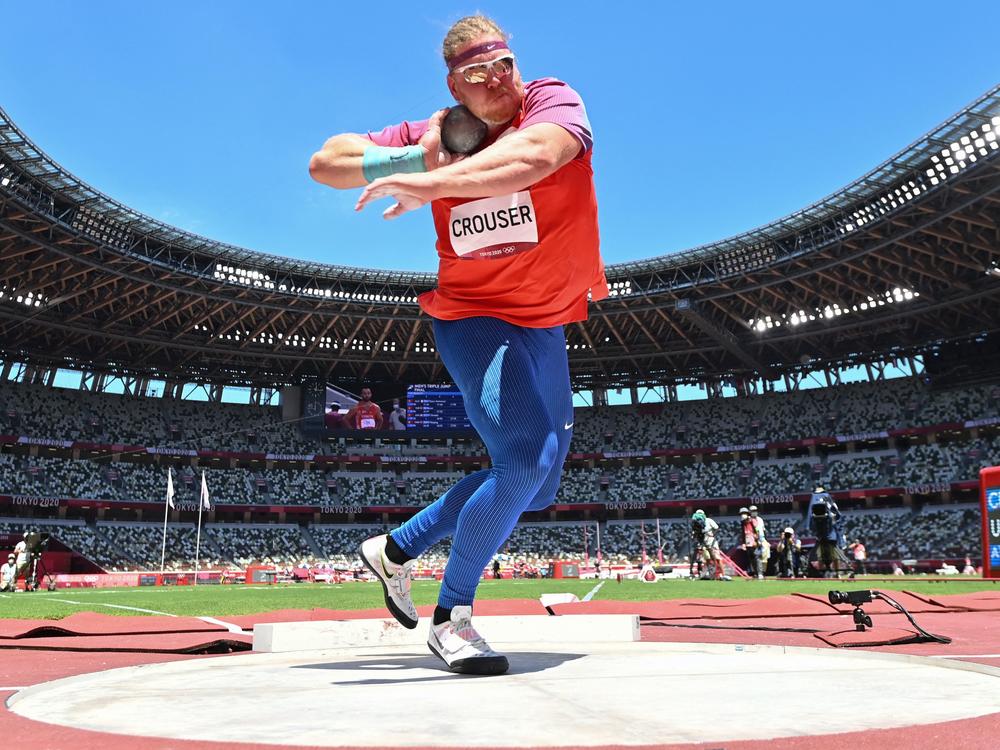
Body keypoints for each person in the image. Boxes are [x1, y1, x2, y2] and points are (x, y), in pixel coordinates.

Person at [312, 14, 606, 675]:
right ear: (455, 85)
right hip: (475, 317)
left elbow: (537, 156)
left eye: (504, 64)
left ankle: (396, 549)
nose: (497, 80)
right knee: (525, 455)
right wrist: (415, 158)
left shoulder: (552, 100)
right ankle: (454, 618)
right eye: (478, 74)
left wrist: (434, 184)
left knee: (536, 487)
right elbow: (325, 163)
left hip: (545, 324)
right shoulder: (435, 134)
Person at [691, 510, 728, 580]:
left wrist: (712, 535)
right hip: (703, 541)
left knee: (717, 558)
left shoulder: (708, 520)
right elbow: (695, 533)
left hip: (711, 540)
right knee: (707, 559)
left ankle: (722, 574)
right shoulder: (695, 523)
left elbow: (716, 528)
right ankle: (712, 574)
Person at [739, 507, 760, 578]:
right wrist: (743, 543)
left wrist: (756, 541)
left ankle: (758, 573)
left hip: (753, 540)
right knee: (750, 558)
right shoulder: (742, 523)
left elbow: (756, 532)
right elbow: (743, 534)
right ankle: (753, 572)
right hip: (747, 541)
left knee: (755, 557)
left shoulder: (752, 521)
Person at [749, 505, 769, 579]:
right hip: (754, 540)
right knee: (756, 557)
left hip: (762, 539)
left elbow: (763, 530)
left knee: (765, 557)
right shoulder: (749, 520)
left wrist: (766, 540)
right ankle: (757, 573)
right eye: (753, 511)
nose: (754, 512)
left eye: (755, 510)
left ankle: (763, 573)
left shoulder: (760, 519)